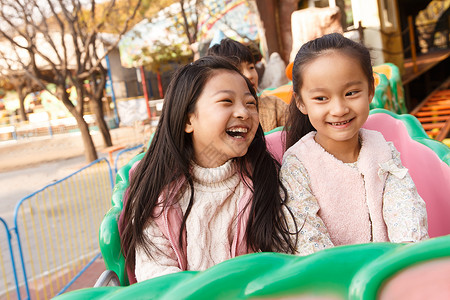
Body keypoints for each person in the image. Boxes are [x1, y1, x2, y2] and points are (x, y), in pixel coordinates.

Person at [119, 56, 297, 282]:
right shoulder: (156, 192)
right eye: (226, 101)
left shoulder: (266, 177)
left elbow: (283, 260)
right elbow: (156, 275)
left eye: (250, 103)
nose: (244, 112)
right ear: (187, 120)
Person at [281, 33, 428, 256]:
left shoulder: (382, 149)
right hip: (331, 282)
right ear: (301, 102)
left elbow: (407, 212)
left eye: (351, 93)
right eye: (321, 98)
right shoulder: (298, 164)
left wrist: (408, 259)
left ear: (370, 90)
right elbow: (307, 239)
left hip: (390, 271)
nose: (339, 109)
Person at [207, 38, 288, 132]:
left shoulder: (275, 106)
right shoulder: (219, 118)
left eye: (251, 67)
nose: (249, 75)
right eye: (238, 70)